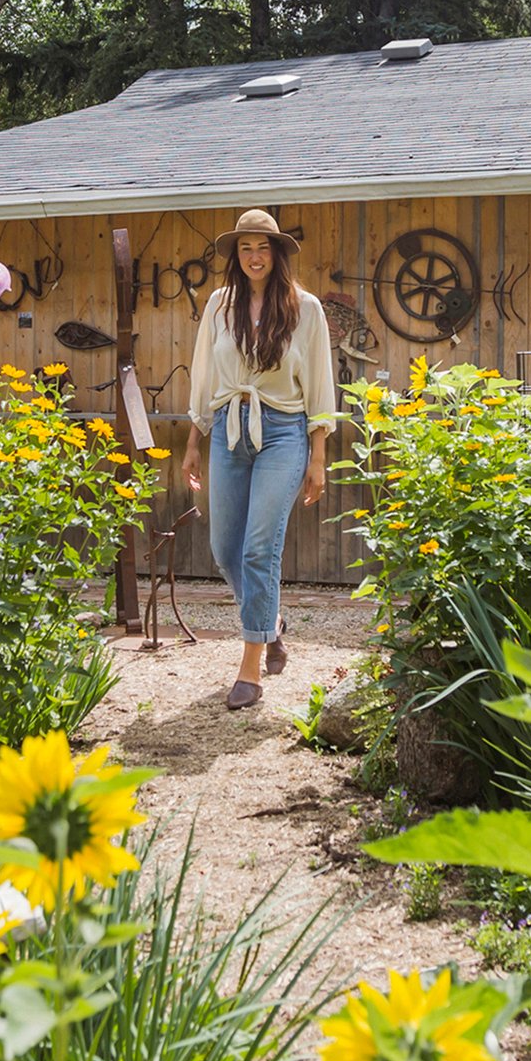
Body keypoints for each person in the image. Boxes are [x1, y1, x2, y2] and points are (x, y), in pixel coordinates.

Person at [180, 210, 337, 710]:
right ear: (236, 255)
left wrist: (319, 455)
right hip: (227, 429)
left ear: (278, 253)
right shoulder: (219, 306)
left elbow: (318, 383)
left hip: (283, 432)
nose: (254, 256)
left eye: (263, 247)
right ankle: (270, 622)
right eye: (245, 248)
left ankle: (249, 669)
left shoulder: (305, 308)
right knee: (225, 549)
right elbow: (204, 376)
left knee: (258, 549)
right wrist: (192, 441)